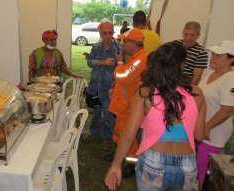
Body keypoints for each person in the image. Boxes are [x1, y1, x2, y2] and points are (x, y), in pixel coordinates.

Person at [105, 42, 206, 191]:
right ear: (182, 64)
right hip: (187, 165)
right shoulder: (197, 93)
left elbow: (128, 135)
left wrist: (116, 165)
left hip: (154, 162)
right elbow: (199, 135)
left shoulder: (146, 92)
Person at [104, 28, 147, 179]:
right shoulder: (136, 57)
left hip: (129, 107)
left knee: (130, 136)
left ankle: (131, 164)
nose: (122, 44)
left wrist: (120, 62)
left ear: (133, 43)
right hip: (123, 104)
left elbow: (123, 76)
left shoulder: (140, 60)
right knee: (120, 131)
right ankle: (119, 154)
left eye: (124, 41)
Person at [197, 40, 234, 190]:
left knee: (202, 168)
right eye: (213, 54)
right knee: (198, 166)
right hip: (203, 128)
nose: (213, 57)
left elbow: (228, 110)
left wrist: (206, 127)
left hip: (213, 132)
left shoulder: (230, 79)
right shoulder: (212, 73)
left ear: (231, 60)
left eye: (218, 55)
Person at [82, 22, 124, 151]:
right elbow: (90, 62)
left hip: (108, 89)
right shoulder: (96, 47)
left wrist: (117, 81)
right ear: (100, 33)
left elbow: (123, 68)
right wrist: (102, 62)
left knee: (108, 115)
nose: (107, 35)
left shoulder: (119, 49)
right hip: (95, 87)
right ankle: (94, 133)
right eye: (105, 33)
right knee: (95, 113)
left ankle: (107, 137)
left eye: (110, 33)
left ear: (113, 33)